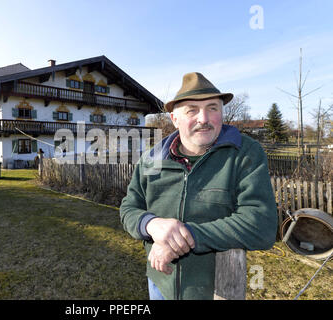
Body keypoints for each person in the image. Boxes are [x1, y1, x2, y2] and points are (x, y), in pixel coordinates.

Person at [119, 72, 277, 300]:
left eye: (212, 108)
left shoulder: (244, 154)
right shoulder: (151, 160)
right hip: (159, 284)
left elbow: (260, 225)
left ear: (221, 112)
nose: (204, 118)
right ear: (174, 119)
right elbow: (128, 209)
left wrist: (182, 237)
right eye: (191, 110)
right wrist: (151, 224)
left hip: (216, 290)